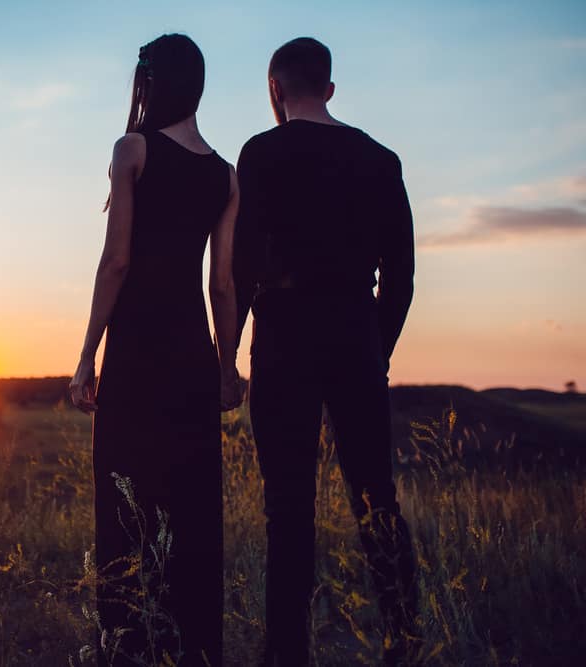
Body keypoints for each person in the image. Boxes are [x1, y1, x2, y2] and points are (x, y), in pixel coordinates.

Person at [232, 37, 418, 665]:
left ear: (275, 90)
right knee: (377, 496)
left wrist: (226, 352)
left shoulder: (260, 153)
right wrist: (378, 347)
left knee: (288, 505)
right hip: (354, 331)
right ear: (330, 88)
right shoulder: (380, 158)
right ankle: (406, 640)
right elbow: (402, 271)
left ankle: (287, 654)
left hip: (283, 335)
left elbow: (239, 263)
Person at [69, 33, 242, 667]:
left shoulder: (132, 150)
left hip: (137, 354)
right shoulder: (226, 175)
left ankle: (124, 647)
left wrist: (87, 354)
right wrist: (228, 366)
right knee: (191, 511)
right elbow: (220, 283)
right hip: (193, 357)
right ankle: (191, 650)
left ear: (150, 82)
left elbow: (116, 262)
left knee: (123, 505)